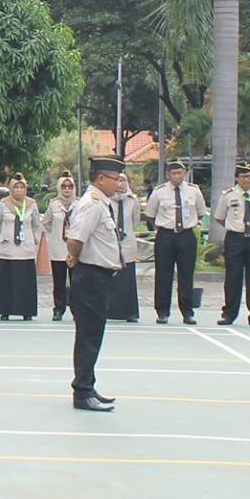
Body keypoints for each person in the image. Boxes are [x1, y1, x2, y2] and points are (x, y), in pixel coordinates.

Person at [66, 157, 128, 413]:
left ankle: (88, 386)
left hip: (98, 277)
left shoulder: (101, 203)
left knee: (93, 334)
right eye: (116, 179)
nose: (120, 184)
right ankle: (82, 392)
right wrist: (75, 259)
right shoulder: (92, 205)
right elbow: (75, 238)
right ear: (101, 179)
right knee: (88, 336)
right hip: (90, 276)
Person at [144, 159, 207, 325]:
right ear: (168, 175)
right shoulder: (159, 192)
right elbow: (150, 214)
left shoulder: (194, 191)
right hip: (165, 235)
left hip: (186, 235)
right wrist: (161, 227)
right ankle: (162, 311)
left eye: (180, 173)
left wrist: (189, 223)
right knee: (163, 275)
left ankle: (187, 312)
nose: (177, 176)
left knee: (186, 275)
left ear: (184, 173)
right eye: (174, 173)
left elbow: (200, 212)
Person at [213, 163, 250, 328]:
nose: (246, 180)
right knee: (233, 278)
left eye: (249, 176)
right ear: (236, 178)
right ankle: (229, 314)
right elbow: (220, 217)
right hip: (235, 239)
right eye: (243, 176)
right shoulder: (228, 195)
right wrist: (236, 228)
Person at [0, 176, 42, 320]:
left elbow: (36, 224)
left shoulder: (31, 204)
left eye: (22, 187)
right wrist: (6, 235)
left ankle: (26, 311)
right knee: (6, 280)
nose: (19, 190)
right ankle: (5, 310)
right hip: (8, 248)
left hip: (25, 249)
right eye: (16, 187)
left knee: (25, 280)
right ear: (10, 189)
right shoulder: (3, 204)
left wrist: (33, 238)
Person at [104, 170, 143, 324]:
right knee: (110, 278)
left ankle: (130, 312)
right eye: (118, 181)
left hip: (127, 243)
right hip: (109, 242)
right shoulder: (106, 200)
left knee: (127, 279)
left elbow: (135, 222)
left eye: (123, 181)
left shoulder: (133, 201)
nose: (120, 184)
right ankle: (109, 310)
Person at [43, 175, 79, 322]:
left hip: (75, 249)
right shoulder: (54, 205)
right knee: (59, 282)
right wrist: (56, 234)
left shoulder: (80, 204)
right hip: (58, 248)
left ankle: (77, 310)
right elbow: (46, 222)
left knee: (76, 281)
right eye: (64, 187)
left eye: (69, 187)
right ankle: (59, 309)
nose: (67, 190)